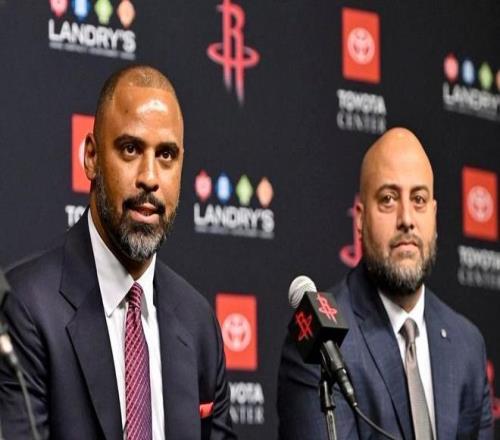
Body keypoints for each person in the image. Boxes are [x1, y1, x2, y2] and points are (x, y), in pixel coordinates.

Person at [0, 65, 235, 439]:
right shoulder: (26, 308)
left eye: (166, 155)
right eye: (130, 149)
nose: (150, 177)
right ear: (91, 157)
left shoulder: (199, 324)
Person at [277, 128, 493, 439]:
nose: (407, 219)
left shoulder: (467, 345)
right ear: (360, 219)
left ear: (434, 215)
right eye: (388, 199)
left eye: (419, 199)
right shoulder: (320, 342)